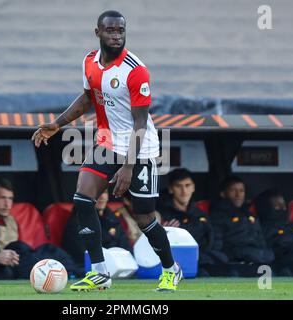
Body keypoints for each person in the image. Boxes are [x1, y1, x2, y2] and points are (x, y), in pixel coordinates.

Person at [32, 10, 182, 292]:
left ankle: (171, 269)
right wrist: (57, 124)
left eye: (121, 30)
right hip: (108, 143)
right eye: (110, 30)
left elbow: (140, 122)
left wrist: (127, 167)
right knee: (83, 199)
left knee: (144, 217)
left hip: (141, 149)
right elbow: (88, 97)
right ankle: (100, 273)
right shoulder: (89, 61)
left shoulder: (136, 70)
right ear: (97, 32)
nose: (116, 35)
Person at [0, 178, 83, 278]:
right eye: (2, 198)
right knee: (22, 249)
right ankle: (72, 273)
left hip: (19, 256)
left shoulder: (10, 220)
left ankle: (75, 272)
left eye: (10, 199)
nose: (7, 204)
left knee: (51, 250)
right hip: (4, 260)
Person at [157, 169, 231, 277]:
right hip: (178, 261)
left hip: (204, 258)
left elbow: (213, 238)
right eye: (179, 186)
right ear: (171, 189)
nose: (184, 191)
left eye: (187, 185)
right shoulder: (161, 213)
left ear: (193, 188)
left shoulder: (200, 213)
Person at [210, 176, 274, 276]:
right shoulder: (218, 215)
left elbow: (261, 241)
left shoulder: (251, 216)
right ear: (223, 194)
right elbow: (217, 245)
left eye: (241, 190)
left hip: (257, 260)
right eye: (233, 190)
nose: (238, 195)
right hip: (234, 262)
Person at [255, 188, 293, 276]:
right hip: (284, 264)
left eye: (283, 204)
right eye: (276, 205)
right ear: (266, 207)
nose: (283, 208)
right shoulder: (263, 229)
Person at [62, 189, 132, 266]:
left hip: (120, 267)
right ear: (86, 197)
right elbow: (81, 255)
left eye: (104, 193)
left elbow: (126, 248)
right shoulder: (77, 222)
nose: (102, 197)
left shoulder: (113, 219)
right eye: (97, 193)